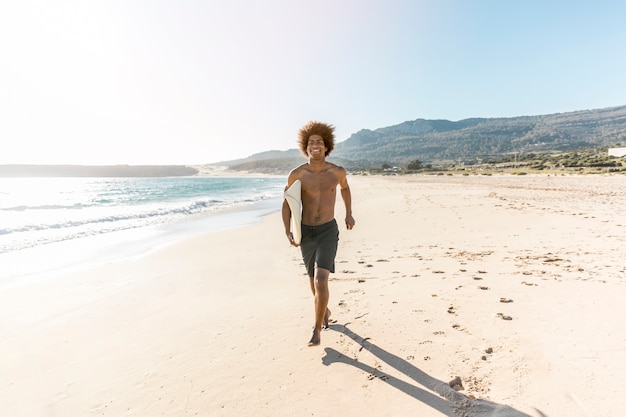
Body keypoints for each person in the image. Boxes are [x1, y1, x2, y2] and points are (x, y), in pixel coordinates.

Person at [282, 121, 355, 347]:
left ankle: (316, 329)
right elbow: (288, 202)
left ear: (326, 147)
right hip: (306, 232)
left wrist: (349, 214)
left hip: (327, 231)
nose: (315, 145)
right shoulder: (297, 174)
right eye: (311, 142)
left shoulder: (337, 172)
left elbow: (345, 188)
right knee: (313, 283)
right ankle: (324, 309)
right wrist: (288, 229)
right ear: (306, 146)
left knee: (321, 279)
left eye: (319, 142)